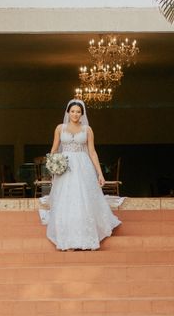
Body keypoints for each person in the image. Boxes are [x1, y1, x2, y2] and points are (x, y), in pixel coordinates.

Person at [45, 99, 121, 250]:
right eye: (72, 111)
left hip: (83, 166)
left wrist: (100, 174)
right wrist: (52, 165)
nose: (75, 114)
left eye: (78, 112)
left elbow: (92, 152)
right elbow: (54, 149)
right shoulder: (60, 128)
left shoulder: (87, 130)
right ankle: (67, 240)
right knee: (66, 200)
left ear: (82, 114)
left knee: (82, 199)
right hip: (65, 166)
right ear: (68, 112)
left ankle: (85, 238)